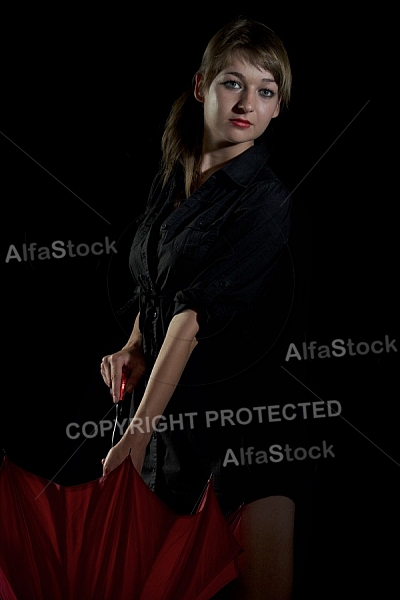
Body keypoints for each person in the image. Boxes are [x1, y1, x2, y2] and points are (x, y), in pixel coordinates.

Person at [101, 15, 310, 600]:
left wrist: (136, 435)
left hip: (247, 430)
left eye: (266, 91)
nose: (247, 102)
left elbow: (192, 317)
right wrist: (134, 346)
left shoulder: (267, 202)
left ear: (277, 109)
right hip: (173, 432)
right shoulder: (174, 174)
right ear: (201, 87)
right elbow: (157, 285)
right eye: (232, 83)